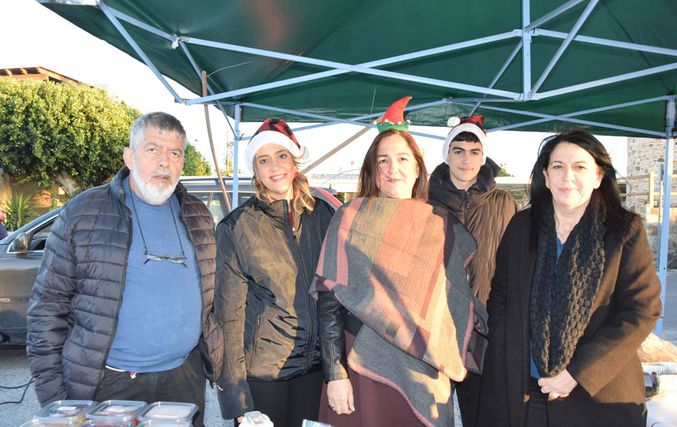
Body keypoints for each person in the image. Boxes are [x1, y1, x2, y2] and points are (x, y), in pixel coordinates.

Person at [26, 112, 223, 427]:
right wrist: (56, 400)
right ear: (129, 157)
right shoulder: (83, 212)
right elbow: (47, 307)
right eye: (152, 149)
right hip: (109, 383)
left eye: (175, 153)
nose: (164, 162)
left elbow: (212, 300)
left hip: (184, 378)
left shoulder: (198, 214)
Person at [477, 129, 662, 427]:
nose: (567, 177)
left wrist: (578, 373)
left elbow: (641, 311)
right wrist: (506, 349)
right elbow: (500, 295)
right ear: (546, 176)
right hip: (522, 395)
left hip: (596, 398)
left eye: (580, 167)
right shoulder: (521, 226)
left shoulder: (624, 231)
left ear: (598, 176)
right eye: (558, 166)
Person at [315, 97, 476, 427]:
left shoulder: (441, 225)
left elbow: (452, 306)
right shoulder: (350, 218)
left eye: (402, 159)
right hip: (362, 362)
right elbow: (329, 302)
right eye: (383, 160)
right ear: (373, 170)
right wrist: (335, 373)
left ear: (417, 168)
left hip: (423, 370)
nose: (393, 168)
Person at [214, 118, 336, 427]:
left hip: (315, 372)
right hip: (263, 377)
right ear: (255, 171)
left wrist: (337, 369)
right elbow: (229, 318)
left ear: (294, 161)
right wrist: (237, 400)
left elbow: (333, 297)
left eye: (281, 155)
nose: (274, 167)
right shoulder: (237, 227)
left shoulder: (323, 216)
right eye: (263, 160)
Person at [428, 115, 517, 426]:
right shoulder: (424, 201)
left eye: (474, 152)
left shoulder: (504, 204)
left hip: (484, 329)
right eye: (458, 151)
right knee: (430, 415)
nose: (466, 159)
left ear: (483, 157)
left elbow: (514, 266)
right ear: (447, 155)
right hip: (434, 329)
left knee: (482, 416)